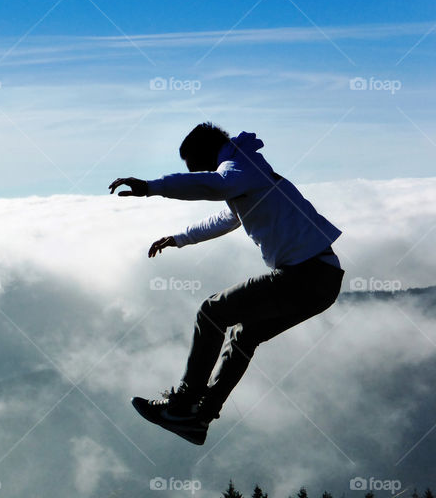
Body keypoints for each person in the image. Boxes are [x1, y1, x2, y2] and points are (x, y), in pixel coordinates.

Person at [108, 122, 344, 445]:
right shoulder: (247, 171)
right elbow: (229, 217)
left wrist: (150, 187)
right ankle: (199, 418)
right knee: (244, 333)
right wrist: (179, 238)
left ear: (204, 154)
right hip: (324, 282)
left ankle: (183, 403)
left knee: (211, 312)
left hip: (306, 275)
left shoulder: (239, 167)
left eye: (192, 166)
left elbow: (215, 186)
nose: (193, 172)